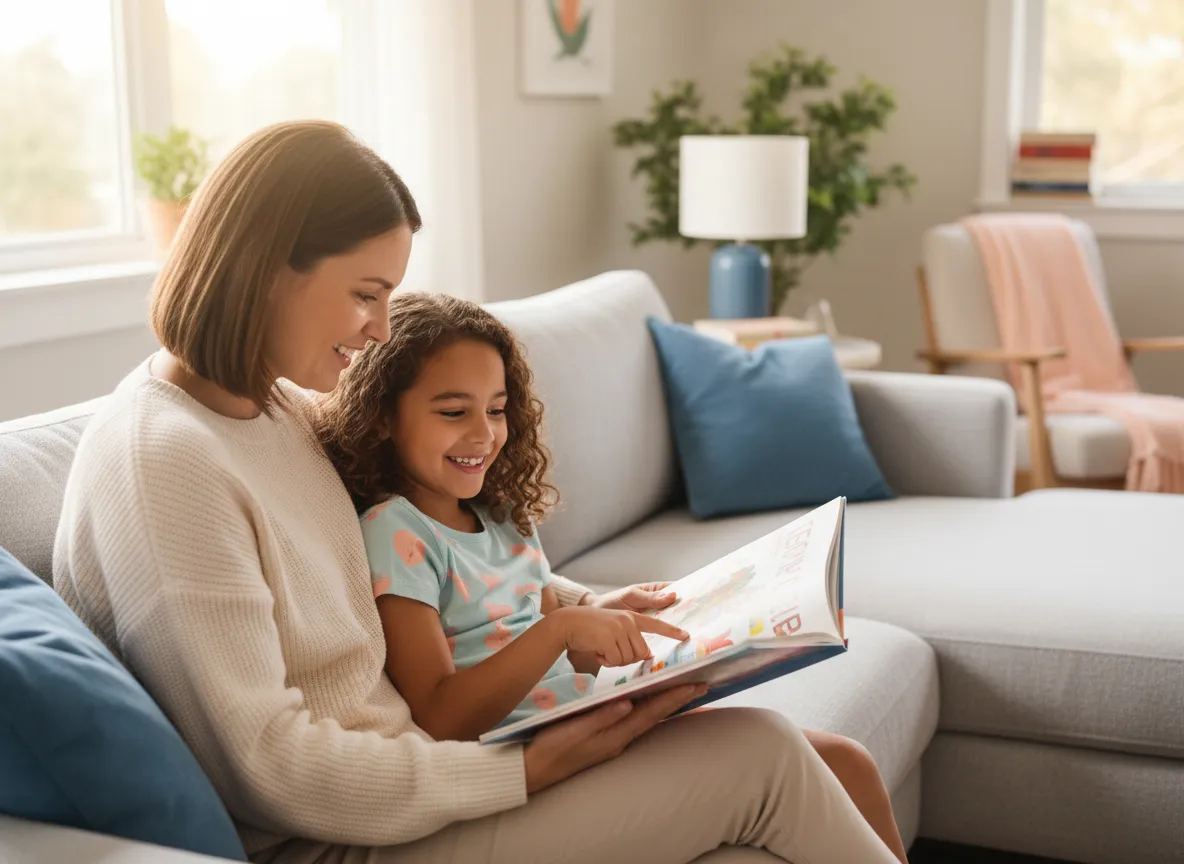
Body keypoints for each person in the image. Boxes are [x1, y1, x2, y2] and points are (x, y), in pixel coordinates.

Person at [53, 119, 907, 863]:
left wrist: (597, 605)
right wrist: (530, 768)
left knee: (826, 758)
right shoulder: (165, 466)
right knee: (762, 756)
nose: (380, 330)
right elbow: (275, 768)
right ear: (266, 268)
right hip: (344, 837)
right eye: (365, 294)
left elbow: (465, 553)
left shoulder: (272, 407)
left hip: (428, 778)